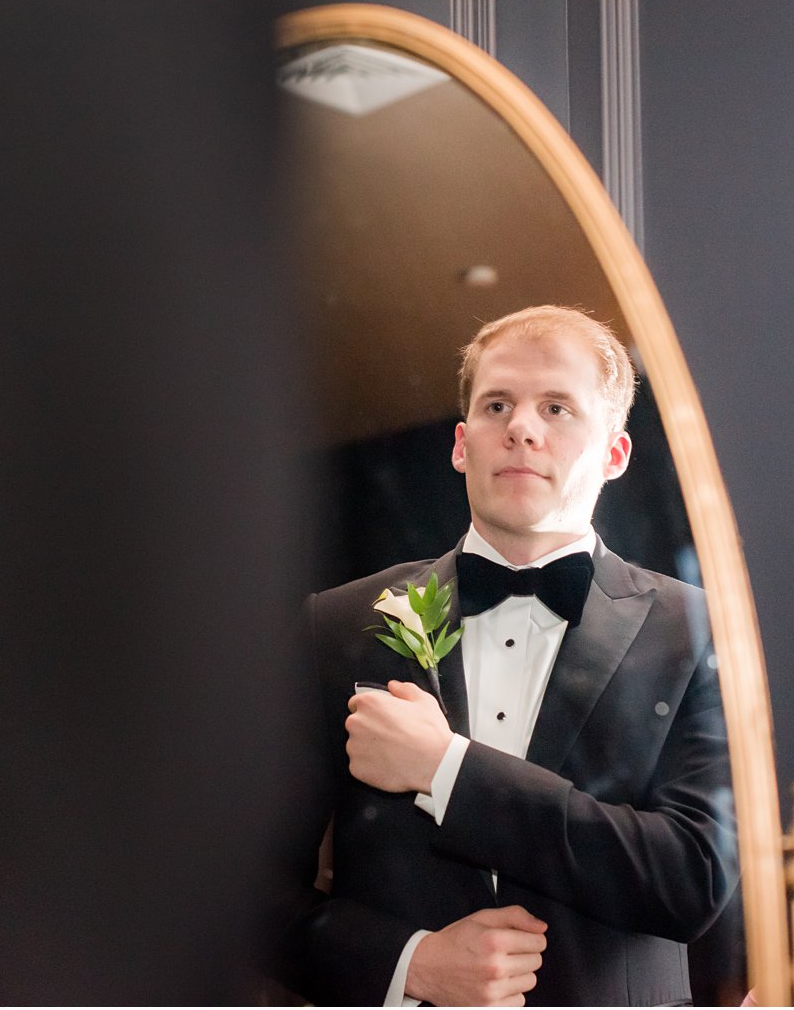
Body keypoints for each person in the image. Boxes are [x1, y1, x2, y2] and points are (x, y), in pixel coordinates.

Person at [275, 305, 738, 1006]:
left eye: (557, 407)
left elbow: (694, 877)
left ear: (614, 454)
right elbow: (244, 898)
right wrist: (410, 964)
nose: (522, 426)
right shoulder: (337, 624)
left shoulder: (696, 628)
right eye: (498, 404)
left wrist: (446, 769)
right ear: (462, 444)